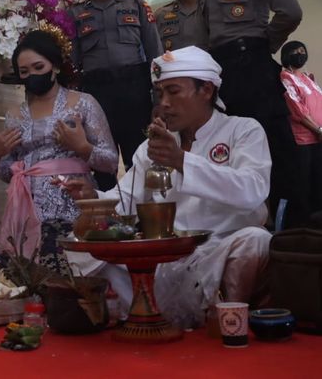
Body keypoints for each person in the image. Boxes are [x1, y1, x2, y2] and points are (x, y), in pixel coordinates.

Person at [62, 46, 272, 328]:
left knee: (256, 240)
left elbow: (253, 190)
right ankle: (130, 314)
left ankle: (226, 322)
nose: (165, 103)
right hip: (162, 260)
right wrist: (93, 198)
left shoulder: (243, 130)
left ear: (206, 90)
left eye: (174, 91)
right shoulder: (153, 147)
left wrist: (182, 161)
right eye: (160, 94)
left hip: (216, 253)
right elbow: (123, 199)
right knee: (78, 245)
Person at [190, 0, 303, 223]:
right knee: (231, 152)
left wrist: (262, 45)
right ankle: (243, 229)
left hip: (251, 67)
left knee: (273, 148)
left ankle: (291, 235)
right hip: (220, 73)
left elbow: (289, 12)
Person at [0, 29, 118, 274]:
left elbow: (110, 161)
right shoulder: (15, 115)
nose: (32, 76)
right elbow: (11, 172)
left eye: (38, 67)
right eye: (24, 72)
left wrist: (82, 148)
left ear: (55, 66)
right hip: (26, 212)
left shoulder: (83, 102)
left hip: (73, 210)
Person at [69, 0, 163, 190]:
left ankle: (146, 219)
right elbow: (71, 62)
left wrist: (160, 100)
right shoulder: (75, 13)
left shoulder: (137, 5)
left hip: (135, 89)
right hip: (96, 93)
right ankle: (108, 220)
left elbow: (156, 55)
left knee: (140, 158)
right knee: (101, 161)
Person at [280, 40, 322, 228]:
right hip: (303, 140)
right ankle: (302, 229)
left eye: (303, 51)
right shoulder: (285, 77)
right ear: (287, 54)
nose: (300, 54)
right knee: (303, 186)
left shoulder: (306, 77)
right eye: (296, 51)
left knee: (317, 182)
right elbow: (298, 110)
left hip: (318, 139)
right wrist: (318, 130)